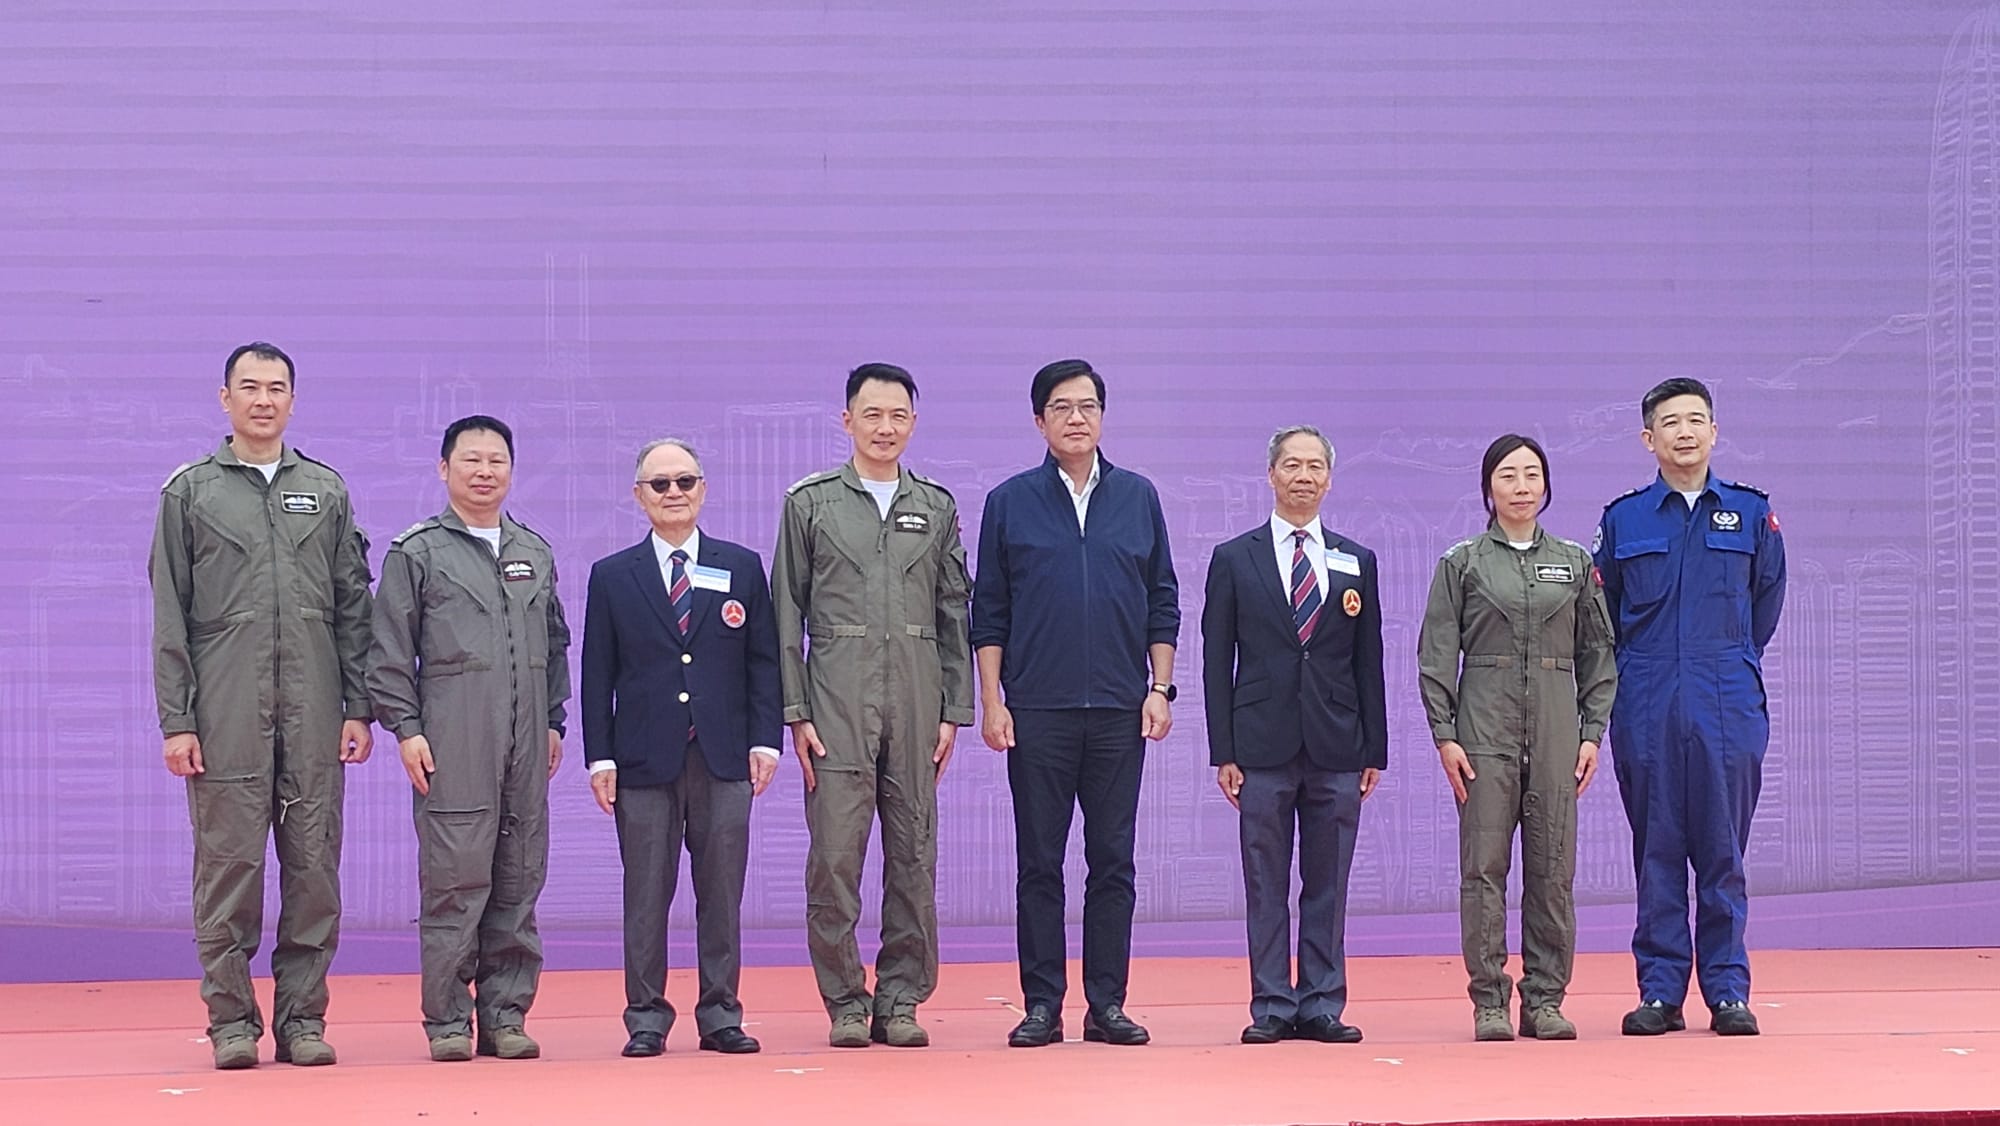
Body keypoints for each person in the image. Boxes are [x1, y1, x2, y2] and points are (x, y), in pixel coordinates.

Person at [148, 342, 374, 1070]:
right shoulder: (190, 493)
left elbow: (352, 608)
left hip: (314, 715)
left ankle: (303, 1021)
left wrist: (359, 707)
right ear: (225, 399)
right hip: (226, 716)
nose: (263, 400)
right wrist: (178, 721)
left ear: (293, 401)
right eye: (249, 387)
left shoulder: (326, 491)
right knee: (228, 874)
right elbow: (170, 616)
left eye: (277, 388)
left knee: (314, 874)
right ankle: (232, 1025)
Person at [971, 359, 1180, 1048]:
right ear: (1039, 421)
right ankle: (1041, 1005)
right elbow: (989, 611)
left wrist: (1159, 689)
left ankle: (1107, 1004)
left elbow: (1162, 600)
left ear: (1103, 416)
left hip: (1121, 710)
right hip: (1037, 711)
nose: (1076, 418)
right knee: (1040, 862)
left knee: (1113, 861)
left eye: (1088, 405)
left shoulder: (1138, 497)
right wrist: (993, 701)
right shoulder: (1009, 501)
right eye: (1061, 407)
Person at [772, 364, 974, 1049]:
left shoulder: (936, 506)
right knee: (834, 861)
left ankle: (901, 999)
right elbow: (786, 612)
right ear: (847, 421)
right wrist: (796, 710)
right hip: (836, 703)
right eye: (872, 414)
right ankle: (845, 1003)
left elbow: (953, 612)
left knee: (914, 857)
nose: (885, 428)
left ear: (913, 423)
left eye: (898, 416)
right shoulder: (811, 504)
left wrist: (953, 709)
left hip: (916, 701)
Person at [366, 415, 571, 1062]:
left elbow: (556, 645)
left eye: (497, 461)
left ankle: (506, 1015)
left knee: (519, 879)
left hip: (527, 744)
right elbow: (387, 653)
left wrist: (554, 721)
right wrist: (407, 730)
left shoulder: (534, 551)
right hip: (453, 742)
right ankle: (449, 1021)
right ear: (444, 468)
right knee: (455, 883)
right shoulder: (417, 553)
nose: (485, 472)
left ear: (511, 470)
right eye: (471, 460)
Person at [1593, 379, 1786, 1037]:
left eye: (1696, 420)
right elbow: (1606, 612)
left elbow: (1765, 603)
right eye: (1670, 422)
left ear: (1714, 432)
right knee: (1658, 849)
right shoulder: (1624, 520)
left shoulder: (1751, 513)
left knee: (1723, 850)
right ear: (1648, 438)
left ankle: (1727, 992)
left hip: (1726, 698)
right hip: (1647, 700)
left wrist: (1727, 660)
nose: (1685, 432)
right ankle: (1660, 991)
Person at [581, 438, 780, 1057]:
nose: (674, 493)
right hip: (643, 761)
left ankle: (721, 1014)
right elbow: (597, 673)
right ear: (638, 496)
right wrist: (600, 756)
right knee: (645, 897)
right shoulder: (613, 575)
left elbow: (764, 662)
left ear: (703, 489)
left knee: (721, 894)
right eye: (660, 484)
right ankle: (646, 1017)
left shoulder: (740, 566)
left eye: (685, 481)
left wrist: (765, 742)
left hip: (724, 756)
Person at [1417, 434, 1616, 1042]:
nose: (1521, 486)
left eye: (1532, 474)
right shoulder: (1463, 563)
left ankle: (1545, 1000)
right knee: (1483, 870)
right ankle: (1489, 1002)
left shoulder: (1575, 563)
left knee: (1553, 870)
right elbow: (1436, 655)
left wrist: (1592, 732)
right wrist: (1445, 735)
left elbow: (1598, 653)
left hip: (1557, 733)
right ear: (1488, 488)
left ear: (1547, 485)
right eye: (1507, 475)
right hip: (1484, 732)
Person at [1201, 425, 1386, 1046]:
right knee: (1265, 881)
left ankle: (1322, 1003)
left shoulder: (1357, 560)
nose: (1303, 476)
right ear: (1271, 475)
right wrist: (1223, 750)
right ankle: (1272, 1004)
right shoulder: (1235, 558)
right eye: (1292, 465)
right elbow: (1216, 660)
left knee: (1328, 883)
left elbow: (1368, 660)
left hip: (1338, 744)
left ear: (1329, 479)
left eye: (1315, 466)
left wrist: (1374, 749)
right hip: (1260, 745)